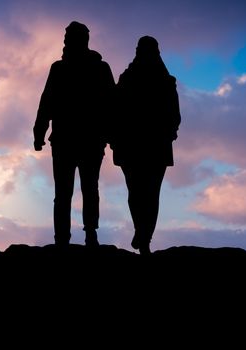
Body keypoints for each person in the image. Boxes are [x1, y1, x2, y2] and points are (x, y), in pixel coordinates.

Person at [33, 21, 115, 246]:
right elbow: (47, 102)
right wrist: (39, 132)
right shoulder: (94, 68)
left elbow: (111, 104)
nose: (66, 41)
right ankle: (79, 235)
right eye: (66, 37)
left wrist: (39, 133)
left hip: (73, 140)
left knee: (72, 191)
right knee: (82, 189)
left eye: (69, 37)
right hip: (80, 140)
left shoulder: (70, 69)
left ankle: (72, 237)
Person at [110, 36, 181, 255]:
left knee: (141, 192)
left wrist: (170, 131)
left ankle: (143, 236)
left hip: (142, 145)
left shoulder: (133, 79)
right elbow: (115, 110)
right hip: (143, 145)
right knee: (146, 193)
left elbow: (175, 116)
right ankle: (143, 235)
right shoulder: (136, 79)